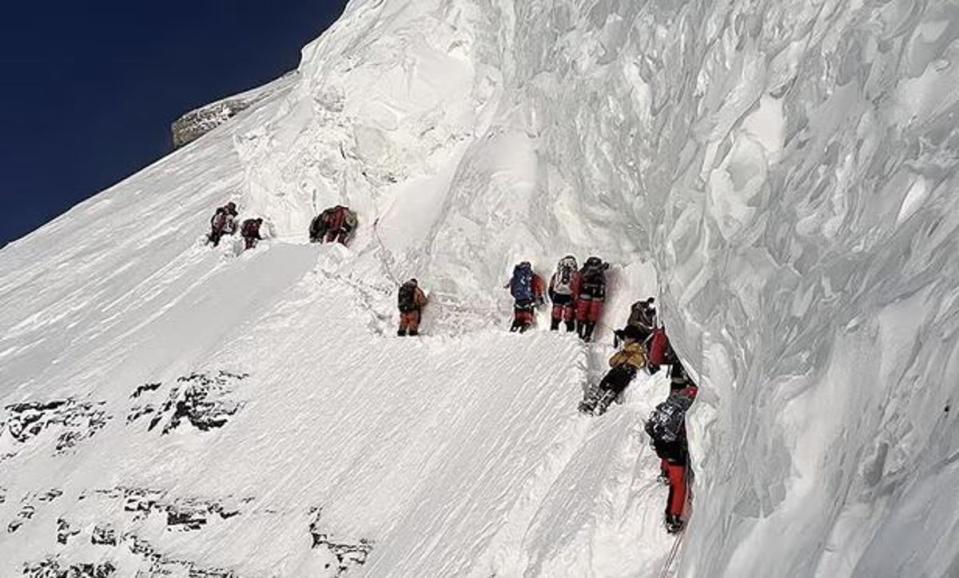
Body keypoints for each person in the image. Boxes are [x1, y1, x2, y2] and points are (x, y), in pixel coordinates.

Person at [646, 384, 698, 534]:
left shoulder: (679, 396)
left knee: (673, 472)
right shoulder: (694, 401)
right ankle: (673, 517)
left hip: (660, 441)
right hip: (674, 447)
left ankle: (664, 472)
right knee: (679, 482)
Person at [578, 325, 647, 415]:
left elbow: (639, 361)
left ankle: (603, 402)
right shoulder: (625, 350)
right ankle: (596, 400)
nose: (625, 340)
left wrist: (625, 357)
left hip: (628, 370)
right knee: (607, 380)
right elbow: (612, 362)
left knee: (617, 383)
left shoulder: (637, 349)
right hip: (619, 369)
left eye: (627, 338)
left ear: (632, 339)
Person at [574, 256, 609, 341]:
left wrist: (576, 295)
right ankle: (588, 335)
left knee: (581, 314)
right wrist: (603, 297)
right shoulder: (601, 272)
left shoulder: (584, 270)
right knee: (593, 315)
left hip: (584, 294)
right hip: (597, 296)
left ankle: (579, 334)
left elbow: (577, 282)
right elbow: (603, 284)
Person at [506, 261, 545, 333]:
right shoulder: (533, 277)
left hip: (518, 301)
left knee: (518, 319)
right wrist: (539, 298)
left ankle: (514, 328)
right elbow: (539, 287)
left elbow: (512, 289)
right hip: (529, 301)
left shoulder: (516, 276)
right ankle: (524, 332)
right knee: (527, 320)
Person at [548, 255, 580, 332]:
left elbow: (551, 286)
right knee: (569, 314)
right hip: (569, 295)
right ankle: (570, 330)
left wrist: (553, 298)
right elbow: (577, 286)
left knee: (556, 314)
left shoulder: (557, 274)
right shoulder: (575, 274)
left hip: (558, 294)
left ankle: (554, 328)